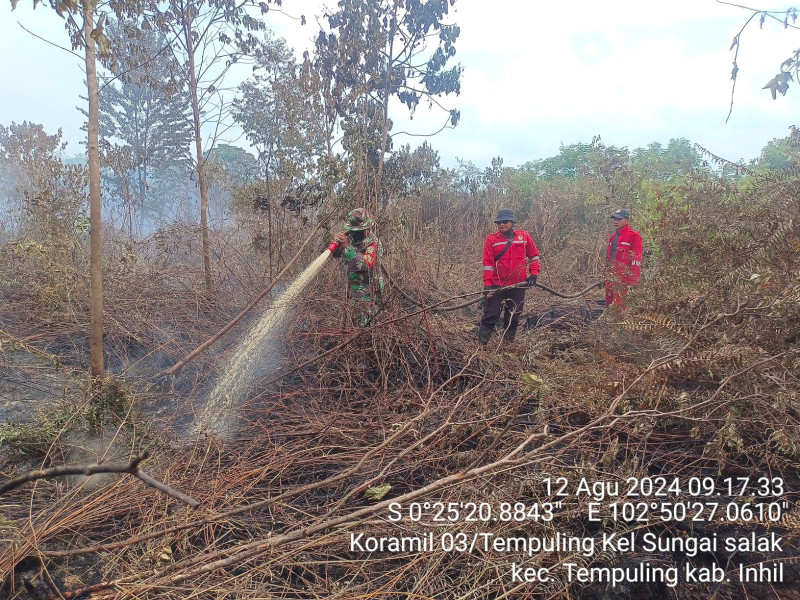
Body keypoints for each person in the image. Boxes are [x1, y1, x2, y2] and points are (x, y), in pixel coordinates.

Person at [478, 209, 541, 345]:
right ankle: (481, 346)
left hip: (518, 286)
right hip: (497, 286)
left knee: (513, 315)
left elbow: (534, 256)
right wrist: (487, 286)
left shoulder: (524, 236)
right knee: (491, 315)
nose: (501, 224)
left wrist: (533, 274)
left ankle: (508, 345)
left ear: (512, 222)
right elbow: (488, 264)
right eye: (499, 222)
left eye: (504, 222)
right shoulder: (491, 240)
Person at [331, 208, 385, 327]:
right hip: (353, 288)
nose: (356, 233)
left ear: (368, 228)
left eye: (360, 230)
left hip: (369, 289)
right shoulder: (351, 238)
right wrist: (337, 244)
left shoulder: (374, 243)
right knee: (354, 321)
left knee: (367, 324)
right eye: (354, 230)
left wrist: (348, 247)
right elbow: (336, 254)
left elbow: (365, 265)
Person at [605, 208, 643, 310]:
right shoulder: (612, 237)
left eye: (619, 219)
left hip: (623, 279)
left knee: (619, 306)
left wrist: (633, 280)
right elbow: (609, 257)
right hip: (611, 277)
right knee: (609, 304)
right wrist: (605, 274)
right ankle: (609, 325)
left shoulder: (634, 236)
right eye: (614, 219)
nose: (615, 222)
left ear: (627, 220)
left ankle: (619, 325)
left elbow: (636, 259)